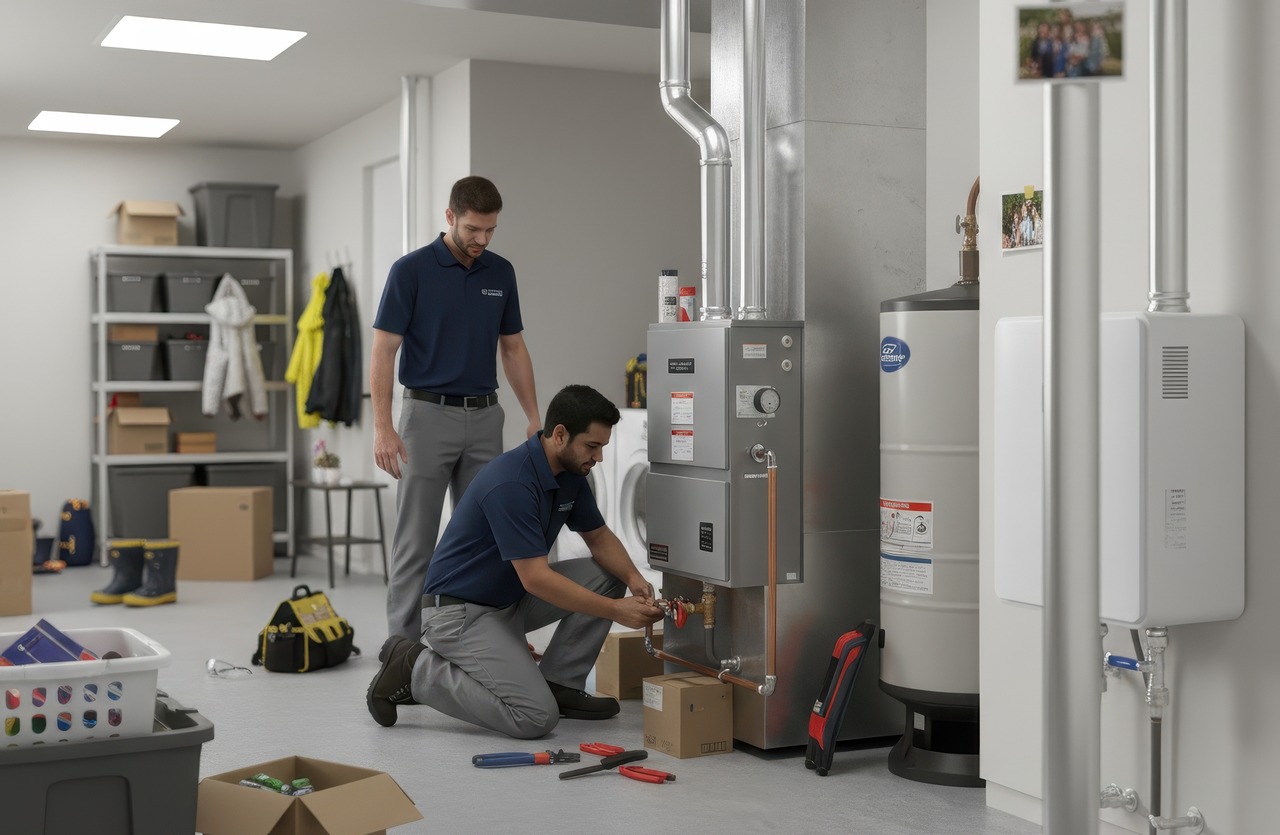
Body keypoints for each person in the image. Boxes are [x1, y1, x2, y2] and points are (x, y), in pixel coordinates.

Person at [365, 385, 663, 739]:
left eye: (602, 447)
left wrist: (634, 579)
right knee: (535, 717)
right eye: (592, 446)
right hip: (458, 614)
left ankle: (560, 684)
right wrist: (616, 611)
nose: (597, 457)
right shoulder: (513, 482)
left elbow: (598, 536)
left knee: (609, 575)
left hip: (507, 602)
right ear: (560, 435)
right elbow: (536, 578)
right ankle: (414, 667)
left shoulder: (569, 474)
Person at [371, 175, 541, 642]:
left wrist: (533, 416)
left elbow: (513, 348)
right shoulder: (410, 271)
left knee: (488, 539)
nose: (481, 240)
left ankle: (482, 643)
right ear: (450, 217)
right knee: (416, 542)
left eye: (490, 230)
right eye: (472, 229)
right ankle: (402, 650)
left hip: (485, 418)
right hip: (426, 419)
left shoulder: (500, 273)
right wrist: (383, 427)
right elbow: (384, 350)